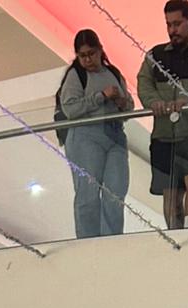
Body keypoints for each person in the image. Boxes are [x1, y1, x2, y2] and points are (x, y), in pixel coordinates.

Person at [137, 0, 188, 230]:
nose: (172, 30)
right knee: (170, 193)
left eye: (177, 23)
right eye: (168, 24)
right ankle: (175, 235)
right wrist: (154, 102)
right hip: (164, 133)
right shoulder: (155, 54)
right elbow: (144, 82)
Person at [58, 29, 133, 238]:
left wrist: (120, 102)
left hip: (115, 135)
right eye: (82, 56)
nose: (88, 60)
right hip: (86, 136)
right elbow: (70, 109)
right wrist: (100, 96)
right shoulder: (76, 75)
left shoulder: (114, 73)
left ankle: (111, 239)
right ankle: (88, 241)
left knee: (115, 193)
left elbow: (129, 107)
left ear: (100, 50)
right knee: (88, 194)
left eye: (91, 53)